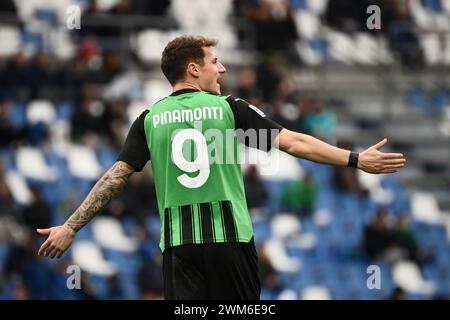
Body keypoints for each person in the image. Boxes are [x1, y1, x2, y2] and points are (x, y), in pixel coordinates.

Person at [36, 35, 406, 300]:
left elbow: (115, 178)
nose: (223, 68)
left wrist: (71, 226)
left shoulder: (149, 120)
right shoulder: (230, 110)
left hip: (180, 247)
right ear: (194, 69)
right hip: (229, 242)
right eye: (215, 62)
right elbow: (293, 142)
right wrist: (355, 159)